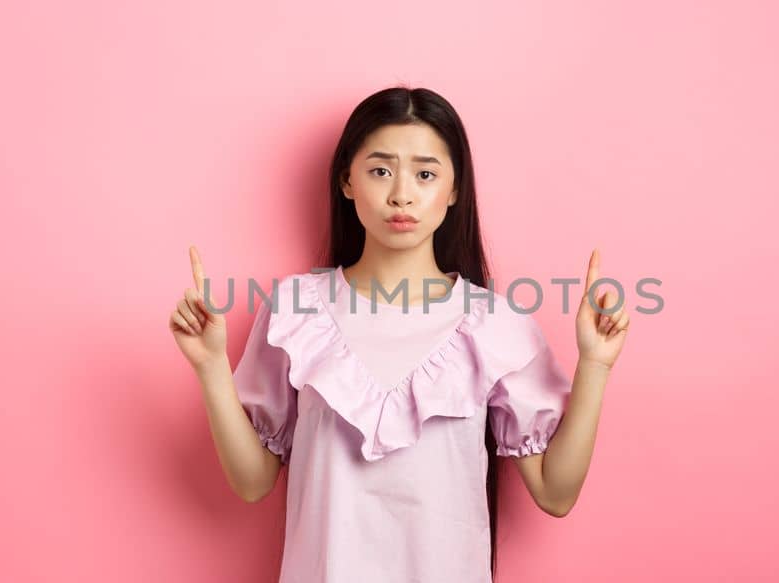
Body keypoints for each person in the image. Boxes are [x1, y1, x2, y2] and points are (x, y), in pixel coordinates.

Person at [169, 86, 630, 582]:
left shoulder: (494, 324)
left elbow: (555, 494)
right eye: (381, 170)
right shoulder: (296, 309)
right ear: (348, 180)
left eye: (426, 174)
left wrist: (596, 365)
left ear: (454, 190)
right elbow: (252, 482)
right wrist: (211, 366)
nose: (401, 194)